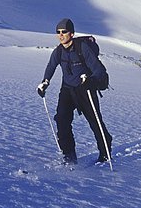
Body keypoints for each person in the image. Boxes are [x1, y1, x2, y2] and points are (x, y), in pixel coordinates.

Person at [37, 18, 112, 165]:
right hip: (67, 90)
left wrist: (91, 80)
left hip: (85, 90)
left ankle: (105, 152)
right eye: (58, 32)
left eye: (64, 32)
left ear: (71, 33)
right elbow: (51, 66)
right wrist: (45, 82)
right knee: (61, 120)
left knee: (95, 121)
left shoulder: (83, 48)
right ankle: (69, 155)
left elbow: (99, 70)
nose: (61, 35)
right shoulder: (58, 51)